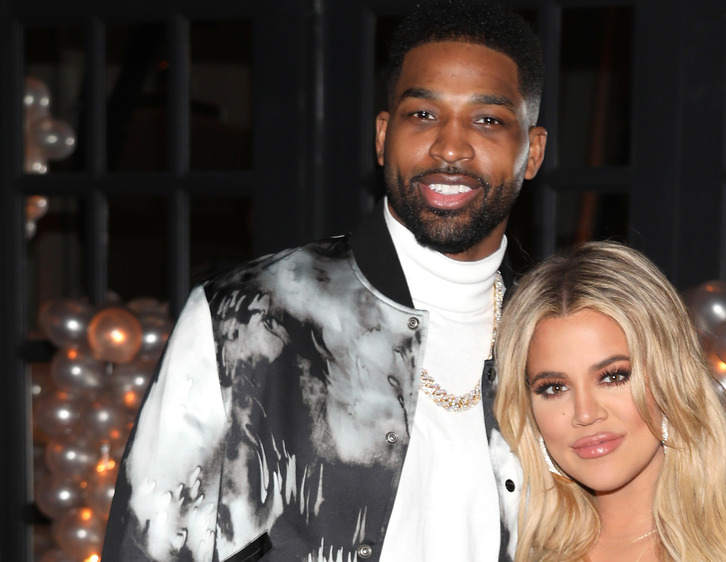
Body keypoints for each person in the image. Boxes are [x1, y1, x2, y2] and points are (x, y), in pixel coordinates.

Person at [102, 1, 547, 560]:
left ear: (532, 152)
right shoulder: (244, 316)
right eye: (423, 115)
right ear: (383, 136)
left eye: (487, 120)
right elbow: (149, 543)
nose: (450, 147)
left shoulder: (553, 341)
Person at [494, 242, 726, 562]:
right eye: (554, 388)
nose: (585, 414)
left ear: (671, 380)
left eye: (614, 376)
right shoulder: (509, 550)